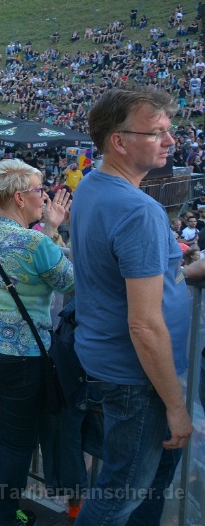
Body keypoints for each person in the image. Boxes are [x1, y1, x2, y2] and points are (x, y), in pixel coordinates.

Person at [71, 89, 191, 525]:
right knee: (119, 494)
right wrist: (175, 406)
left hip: (109, 360)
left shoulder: (92, 185)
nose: (170, 140)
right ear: (119, 141)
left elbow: (125, 274)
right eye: (156, 132)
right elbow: (144, 324)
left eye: (169, 130)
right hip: (138, 377)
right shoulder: (138, 211)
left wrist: (183, 271)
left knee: (141, 484)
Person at [0, 160, 74, 525]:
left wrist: (47, 228)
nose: (46, 197)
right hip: (20, 354)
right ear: (20, 197)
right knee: (17, 441)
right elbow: (69, 282)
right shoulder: (36, 242)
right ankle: (4, 515)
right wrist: (54, 230)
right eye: (40, 190)